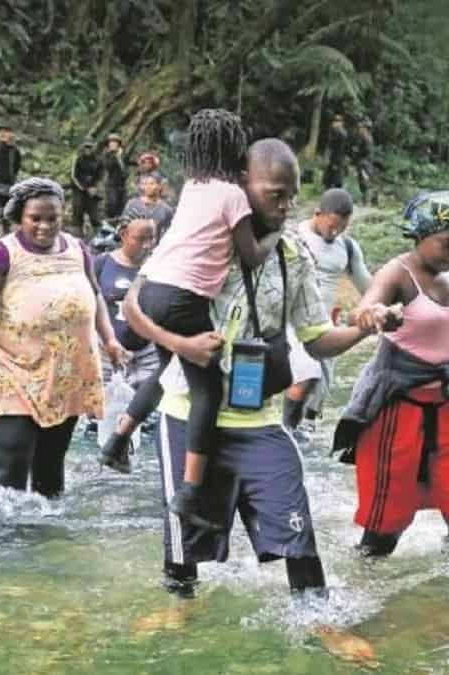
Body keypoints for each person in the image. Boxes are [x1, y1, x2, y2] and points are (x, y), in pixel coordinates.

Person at [122, 138, 385, 597]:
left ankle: (316, 616)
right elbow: (133, 306)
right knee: (185, 543)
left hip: (259, 417)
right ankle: (180, 611)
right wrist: (179, 342)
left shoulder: (294, 257)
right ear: (242, 185)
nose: (285, 207)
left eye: (291, 196)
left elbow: (317, 339)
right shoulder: (194, 243)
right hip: (186, 411)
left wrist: (365, 327)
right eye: (274, 194)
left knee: (297, 532)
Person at [97, 109, 286, 532]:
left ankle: (118, 439)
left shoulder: (193, 186)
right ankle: (190, 492)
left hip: (152, 290)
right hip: (183, 298)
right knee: (208, 392)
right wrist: (275, 233)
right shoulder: (233, 194)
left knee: (167, 369)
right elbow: (252, 255)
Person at [0, 178, 127, 497]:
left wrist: (110, 341)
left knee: (50, 474)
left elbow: (95, 297)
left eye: (53, 217)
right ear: (19, 217)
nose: (45, 226)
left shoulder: (78, 248)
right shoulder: (2, 253)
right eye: (35, 218)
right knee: (8, 470)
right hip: (14, 372)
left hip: (66, 374)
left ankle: (43, 542)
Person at [333, 190, 449, 558]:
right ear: (420, 234)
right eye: (448, 243)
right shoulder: (398, 273)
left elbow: (438, 319)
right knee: (385, 527)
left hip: (448, 409)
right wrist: (373, 314)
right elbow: (365, 306)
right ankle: (365, 592)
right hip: (398, 410)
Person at [284, 188, 371, 431]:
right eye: (332, 226)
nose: (335, 232)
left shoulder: (348, 248)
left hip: (326, 326)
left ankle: (306, 432)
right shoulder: (293, 237)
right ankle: (285, 432)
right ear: (318, 214)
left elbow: (370, 288)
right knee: (305, 375)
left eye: (342, 227)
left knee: (320, 386)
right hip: (293, 322)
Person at [94, 217, 159, 387]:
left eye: (151, 238)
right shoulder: (102, 263)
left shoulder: (159, 267)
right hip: (106, 354)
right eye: (140, 239)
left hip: (148, 356)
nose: (147, 245)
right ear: (124, 235)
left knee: (144, 409)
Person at [102, 133, 129, 219]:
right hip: (111, 185)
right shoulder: (106, 155)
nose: (113, 144)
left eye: (115, 143)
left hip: (121, 185)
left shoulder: (122, 155)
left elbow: (125, 169)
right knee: (112, 204)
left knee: (122, 206)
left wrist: (119, 157)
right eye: (111, 142)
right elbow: (108, 166)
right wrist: (116, 157)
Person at [350, 118, 375, 206]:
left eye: (361, 128)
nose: (360, 130)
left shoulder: (367, 139)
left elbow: (366, 152)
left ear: (365, 129)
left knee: (365, 182)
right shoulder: (365, 138)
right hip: (364, 163)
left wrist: (356, 151)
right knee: (362, 181)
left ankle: (366, 202)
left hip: (365, 163)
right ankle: (365, 201)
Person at [323, 114, 349, 190]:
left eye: (337, 121)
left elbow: (341, 149)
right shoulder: (333, 132)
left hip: (338, 160)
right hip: (332, 159)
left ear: (341, 123)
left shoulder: (341, 133)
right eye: (334, 121)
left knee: (337, 180)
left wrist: (336, 162)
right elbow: (329, 145)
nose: (335, 123)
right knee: (328, 180)